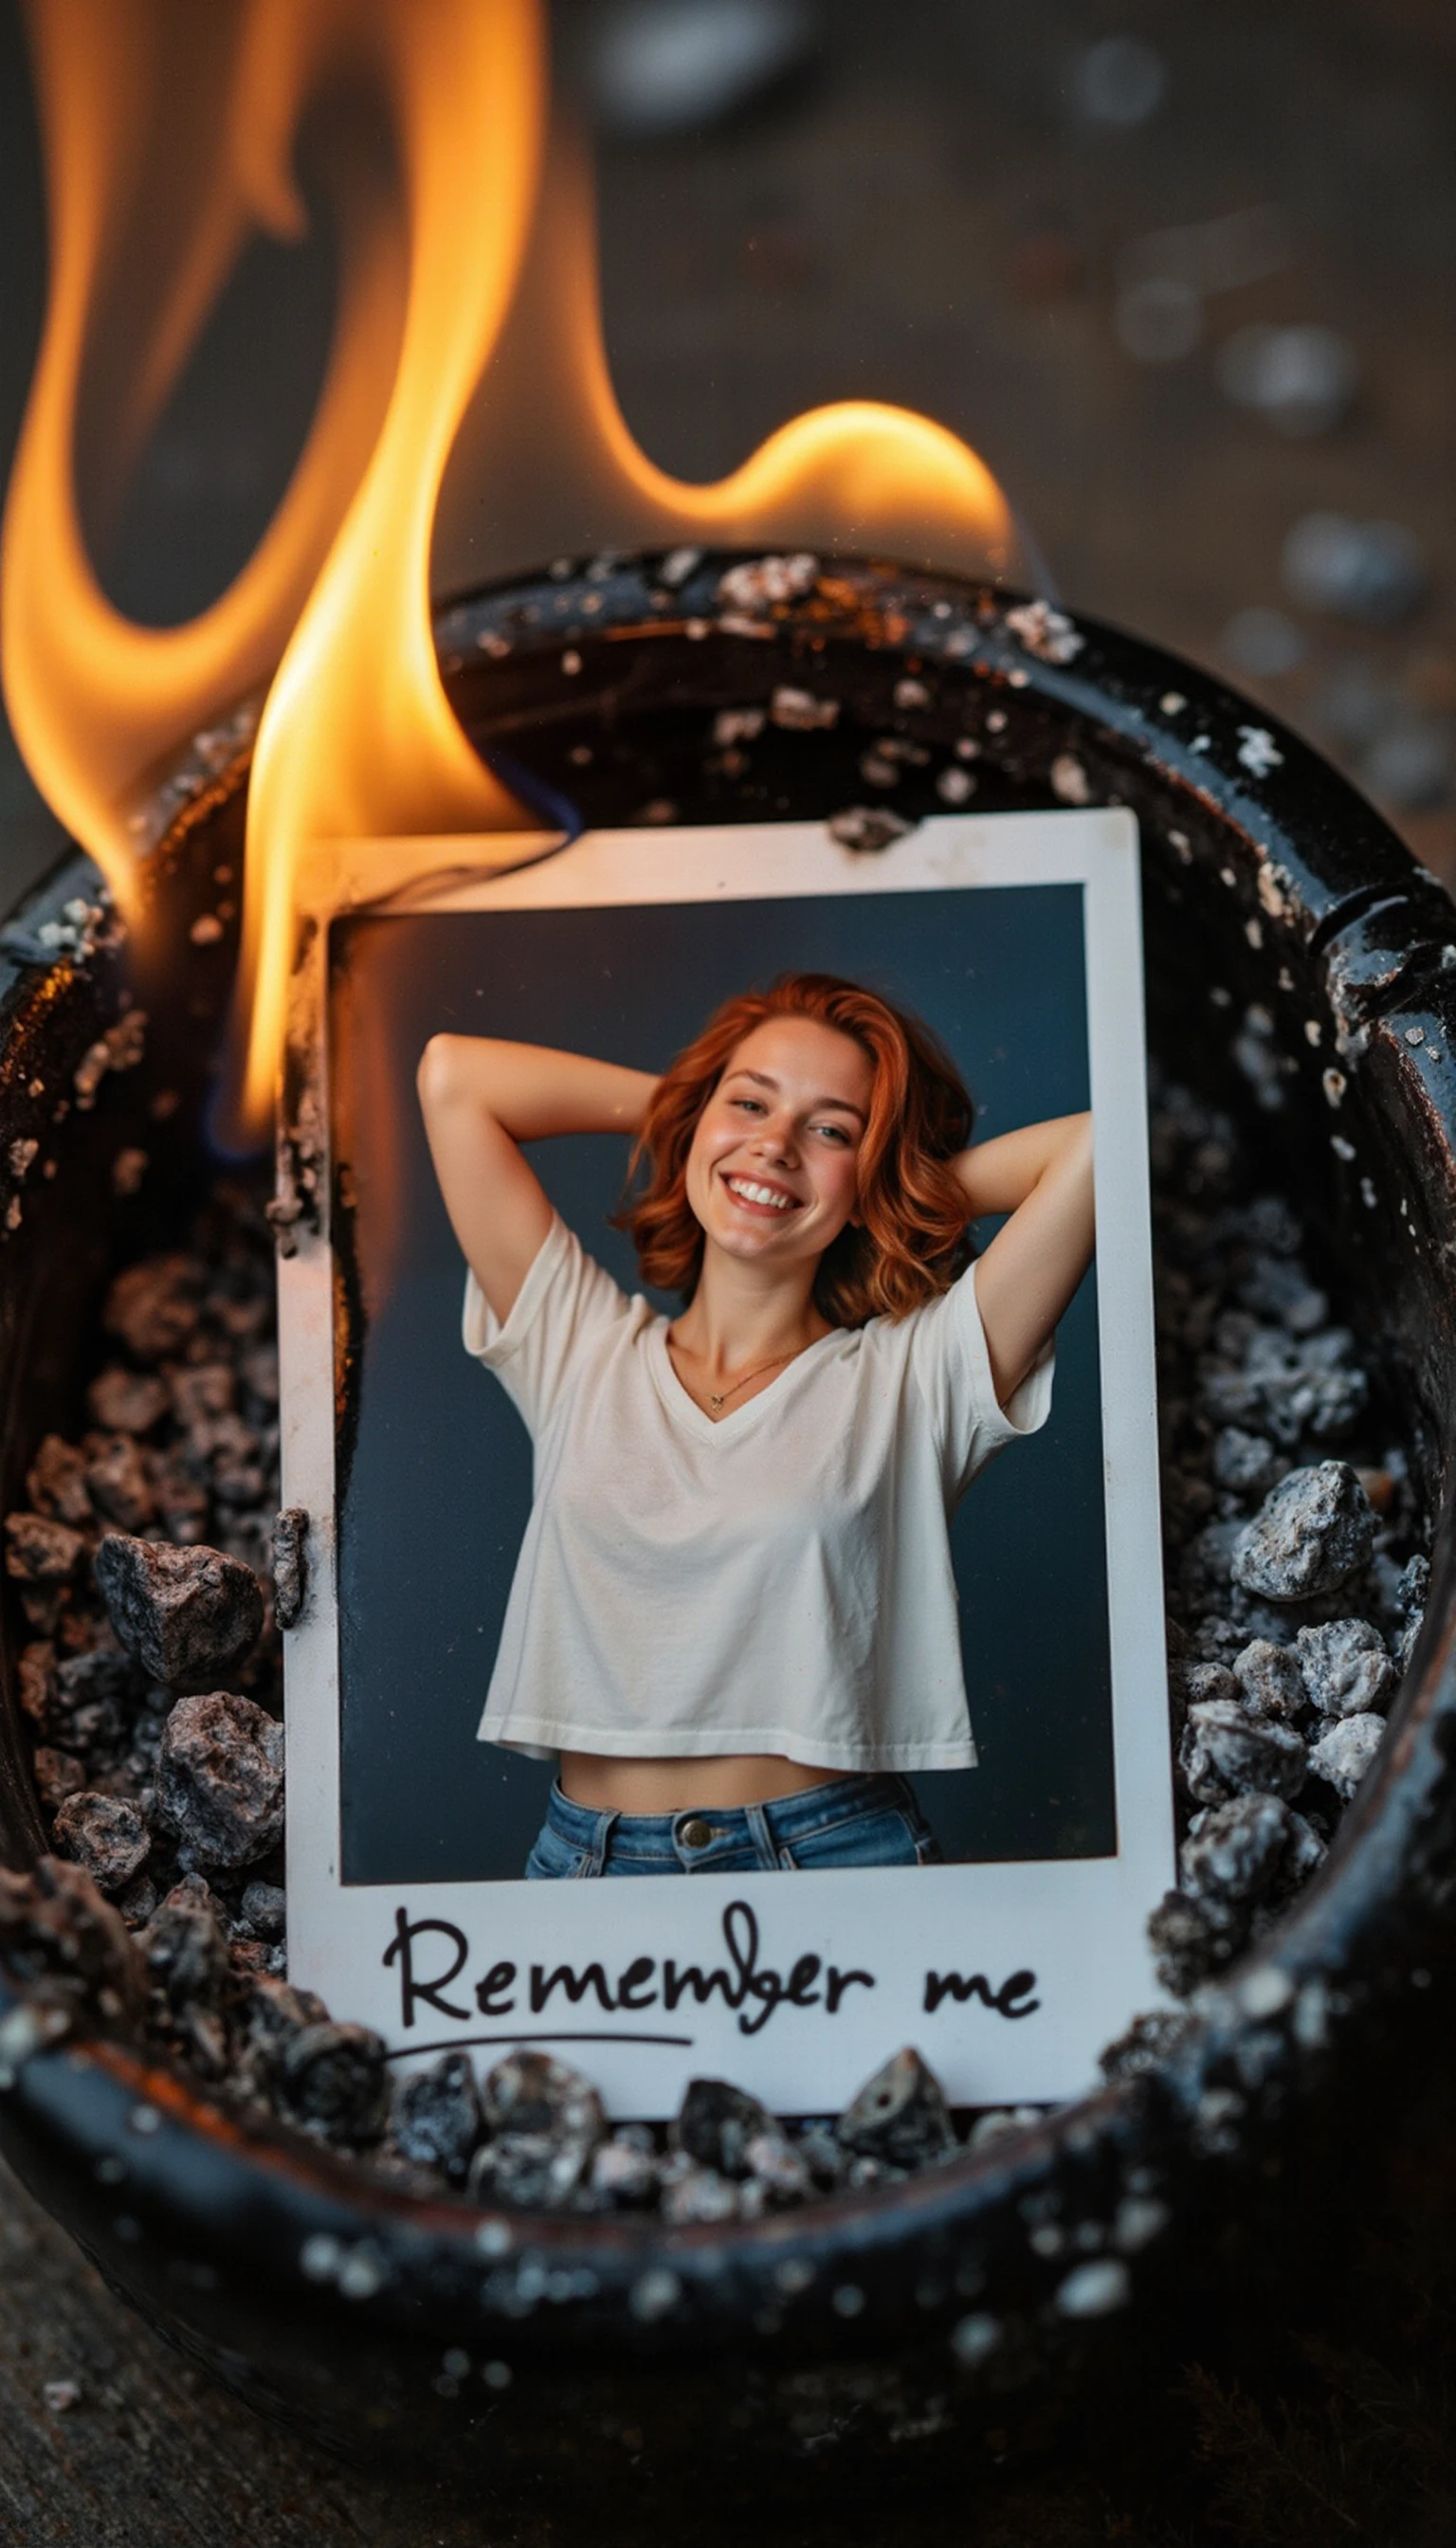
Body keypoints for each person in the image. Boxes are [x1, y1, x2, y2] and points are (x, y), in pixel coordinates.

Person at [417, 972, 1093, 1878]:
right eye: (751, 1102)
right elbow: (454, 1078)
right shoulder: (578, 1346)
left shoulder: (913, 1379)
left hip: (833, 1859)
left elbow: (1099, 1148)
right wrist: (697, 1118)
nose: (774, 1146)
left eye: (830, 1129)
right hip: (589, 1871)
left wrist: (883, 1189)